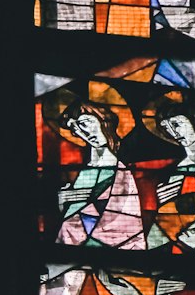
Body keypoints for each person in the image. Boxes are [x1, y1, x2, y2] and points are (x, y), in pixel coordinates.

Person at [56, 100, 145, 249]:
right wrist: (62, 204)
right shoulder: (85, 173)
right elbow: (70, 223)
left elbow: (126, 225)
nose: (82, 133)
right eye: (74, 128)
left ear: (102, 120)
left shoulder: (122, 173)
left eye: (85, 123)